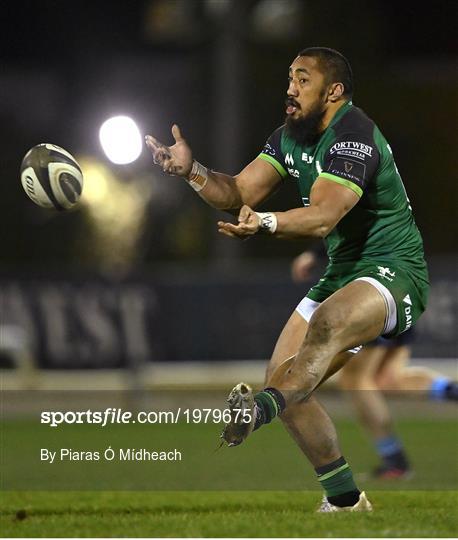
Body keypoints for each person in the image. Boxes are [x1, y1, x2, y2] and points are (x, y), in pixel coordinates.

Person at [146, 47, 430, 512]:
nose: (290, 89)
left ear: (333, 91)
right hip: (343, 270)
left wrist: (264, 223)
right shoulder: (288, 137)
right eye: (290, 79)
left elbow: (322, 217)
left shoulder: (354, 135)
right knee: (286, 383)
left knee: (326, 327)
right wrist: (191, 172)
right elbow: (238, 191)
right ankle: (344, 501)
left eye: (302, 80)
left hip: (394, 268)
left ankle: (256, 412)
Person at [292, 249, 458, 479]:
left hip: (374, 293)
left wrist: (315, 253)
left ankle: (395, 461)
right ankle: (451, 391)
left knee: (356, 380)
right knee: (389, 378)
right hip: (402, 287)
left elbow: (343, 221)